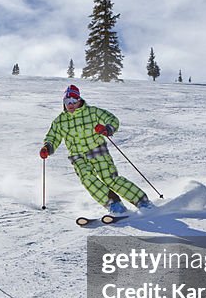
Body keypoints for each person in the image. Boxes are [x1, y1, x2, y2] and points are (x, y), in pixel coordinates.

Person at [39, 84, 153, 215]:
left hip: (97, 150)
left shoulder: (92, 112)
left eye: (73, 101)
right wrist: (47, 147)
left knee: (110, 179)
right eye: (67, 102)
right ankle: (114, 205)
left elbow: (112, 119)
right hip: (77, 156)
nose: (70, 105)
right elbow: (53, 136)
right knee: (87, 179)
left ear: (79, 101)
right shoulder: (60, 121)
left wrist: (107, 128)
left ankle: (141, 201)